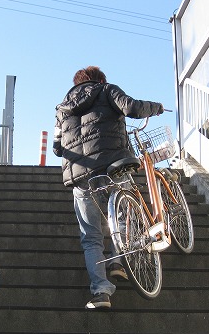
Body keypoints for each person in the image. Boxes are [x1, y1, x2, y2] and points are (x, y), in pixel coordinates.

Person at [53, 66, 164, 309]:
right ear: (100, 80)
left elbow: (57, 147)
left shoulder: (62, 108)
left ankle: (101, 292)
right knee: (125, 214)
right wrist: (156, 107)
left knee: (91, 237)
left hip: (81, 176)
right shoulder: (107, 90)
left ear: (76, 84)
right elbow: (132, 108)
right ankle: (118, 262)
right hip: (113, 166)